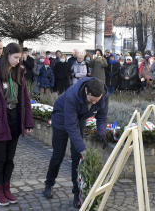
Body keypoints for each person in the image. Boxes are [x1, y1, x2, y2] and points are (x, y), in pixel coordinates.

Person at [0, 42, 33, 206]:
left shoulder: (19, 74)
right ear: (7, 55)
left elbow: (25, 101)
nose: (18, 61)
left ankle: (6, 188)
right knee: (0, 159)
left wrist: (28, 122)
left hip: (14, 118)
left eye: (20, 58)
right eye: (15, 57)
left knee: (10, 158)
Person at [43, 77, 108, 208]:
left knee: (77, 158)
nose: (94, 102)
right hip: (61, 118)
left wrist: (101, 132)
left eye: (97, 100)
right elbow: (71, 126)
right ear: (86, 91)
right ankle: (49, 184)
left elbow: (102, 116)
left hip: (80, 119)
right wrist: (82, 148)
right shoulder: (73, 95)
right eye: (91, 100)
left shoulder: (104, 94)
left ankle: (77, 194)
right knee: (58, 155)